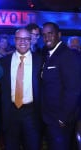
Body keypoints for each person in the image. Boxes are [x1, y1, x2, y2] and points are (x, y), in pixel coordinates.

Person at [0, 28, 43, 150]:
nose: (23, 41)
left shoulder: (40, 61)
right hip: (10, 113)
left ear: (31, 40)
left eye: (26, 39)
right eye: (19, 38)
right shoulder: (3, 62)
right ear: (14, 40)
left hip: (32, 114)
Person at [41, 22, 81, 150]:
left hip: (60, 120)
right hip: (50, 118)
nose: (47, 37)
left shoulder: (68, 55)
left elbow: (73, 90)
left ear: (59, 35)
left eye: (50, 33)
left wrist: (63, 118)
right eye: (44, 35)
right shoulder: (48, 54)